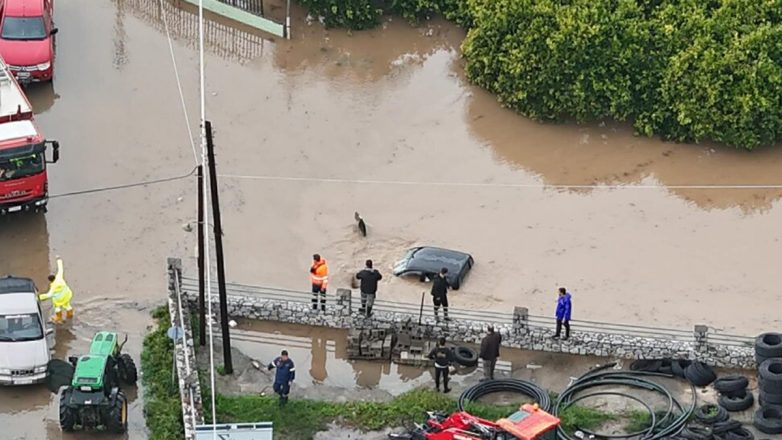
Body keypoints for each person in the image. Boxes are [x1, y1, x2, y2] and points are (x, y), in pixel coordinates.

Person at [38, 257, 74, 323]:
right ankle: (70, 314)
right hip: (67, 295)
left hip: (59, 300)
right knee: (67, 305)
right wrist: (59, 260)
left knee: (57, 308)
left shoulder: (53, 287)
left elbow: (48, 295)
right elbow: (61, 269)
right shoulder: (59, 278)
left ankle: (58, 317)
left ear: (50, 280)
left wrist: (38, 297)